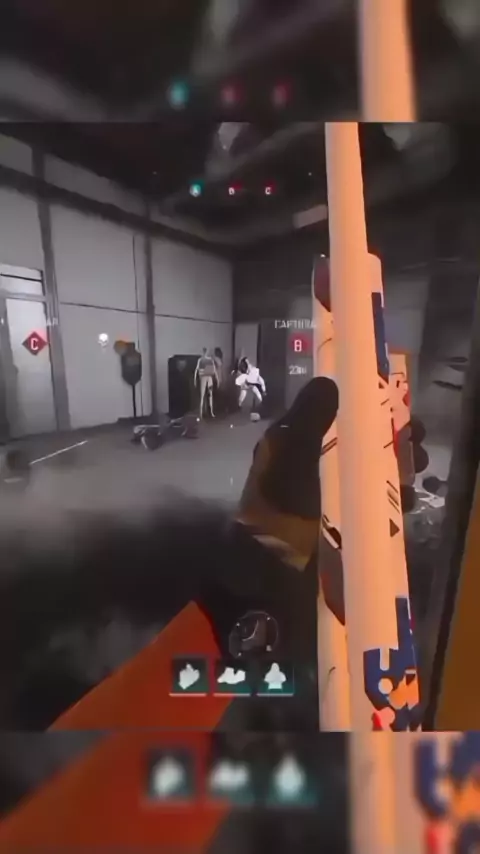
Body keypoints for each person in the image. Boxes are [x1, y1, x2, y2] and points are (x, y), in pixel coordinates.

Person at [194, 348, 218, 419]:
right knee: (203, 395)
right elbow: (197, 370)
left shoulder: (210, 360)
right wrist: (195, 379)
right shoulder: (200, 360)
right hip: (204, 377)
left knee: (210, 395)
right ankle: (201, 413)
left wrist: (217, 378)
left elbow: (214, 370)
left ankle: (211, 412)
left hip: (208, 377)